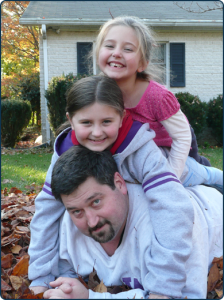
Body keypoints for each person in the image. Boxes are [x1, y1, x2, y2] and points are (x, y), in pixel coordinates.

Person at [28, 76, 223, 298]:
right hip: (115, 176)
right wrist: (40, 277)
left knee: (200, 174)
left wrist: (164, 287)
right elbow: (45, 212)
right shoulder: (65, 150)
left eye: (106, 122)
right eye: (86, 123)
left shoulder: (140, 148)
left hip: (177, 169)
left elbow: (173, 206)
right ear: (71, 121)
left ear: (122, 117)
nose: (97, 132)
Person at [43, 147, 223, 299]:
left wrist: (91, 297)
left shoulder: (172, 227)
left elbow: (183, 296)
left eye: (96, 202)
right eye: (77, 211)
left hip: (213, 200)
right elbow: (65, 277)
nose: (92, 221)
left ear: (119, 183)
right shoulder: (68, 225)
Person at [94, 15, 212, 180]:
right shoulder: (96, 93)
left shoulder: (157, 96)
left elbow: (183, 136)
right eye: (109, 46)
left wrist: (170, 178)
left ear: (142, 64)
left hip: (171, 147)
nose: (116, 53)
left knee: (205, 175)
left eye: (127, 49)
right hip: (136, 156)